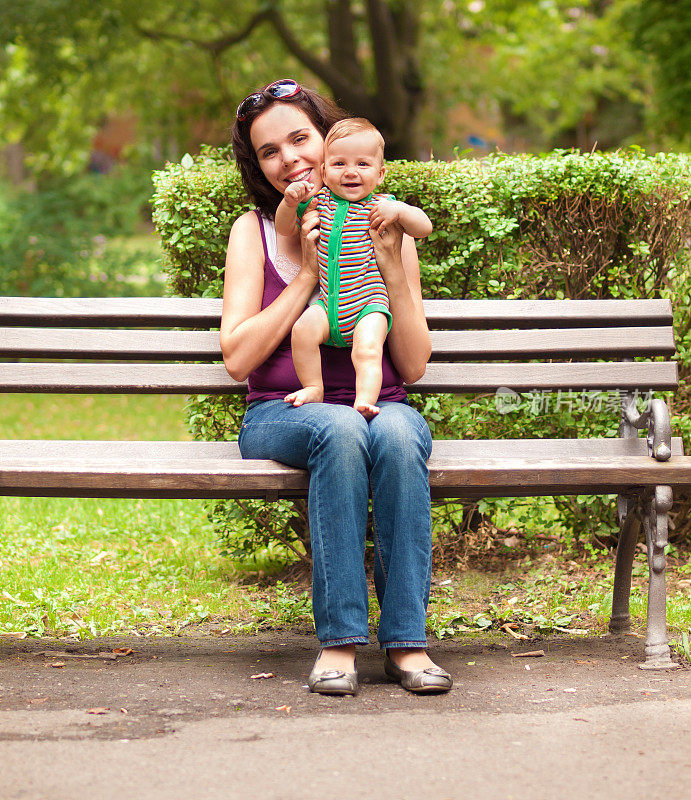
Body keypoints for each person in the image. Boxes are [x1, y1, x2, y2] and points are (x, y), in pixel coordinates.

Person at [220, 79, 452, 695]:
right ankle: (340, 642)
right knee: (341, 426)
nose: (290, 158)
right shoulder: (256, 231)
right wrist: (308, 280)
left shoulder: (382, 219)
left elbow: (416, 362)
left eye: (300, 138)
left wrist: (390, 269)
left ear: (330, 140)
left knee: (400, 437)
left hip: (384, 402)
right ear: (260, 166)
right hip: (282, 411)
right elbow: (238, 358)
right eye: (270, 151)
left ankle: (408, 645)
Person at [274, 118, 432, 419]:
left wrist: (400, 210)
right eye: (338, 163)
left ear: (380, 173)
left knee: (367, 349)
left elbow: (424, 227)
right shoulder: (319, 202)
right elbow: (284, 229)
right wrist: (289, 203)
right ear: (323, 170)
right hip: (328, 302)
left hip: (369, 304)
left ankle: (365, 400)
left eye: (362, 163)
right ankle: (313, 387)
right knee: (302, 332)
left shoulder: (384, 206)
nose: (350, 172)